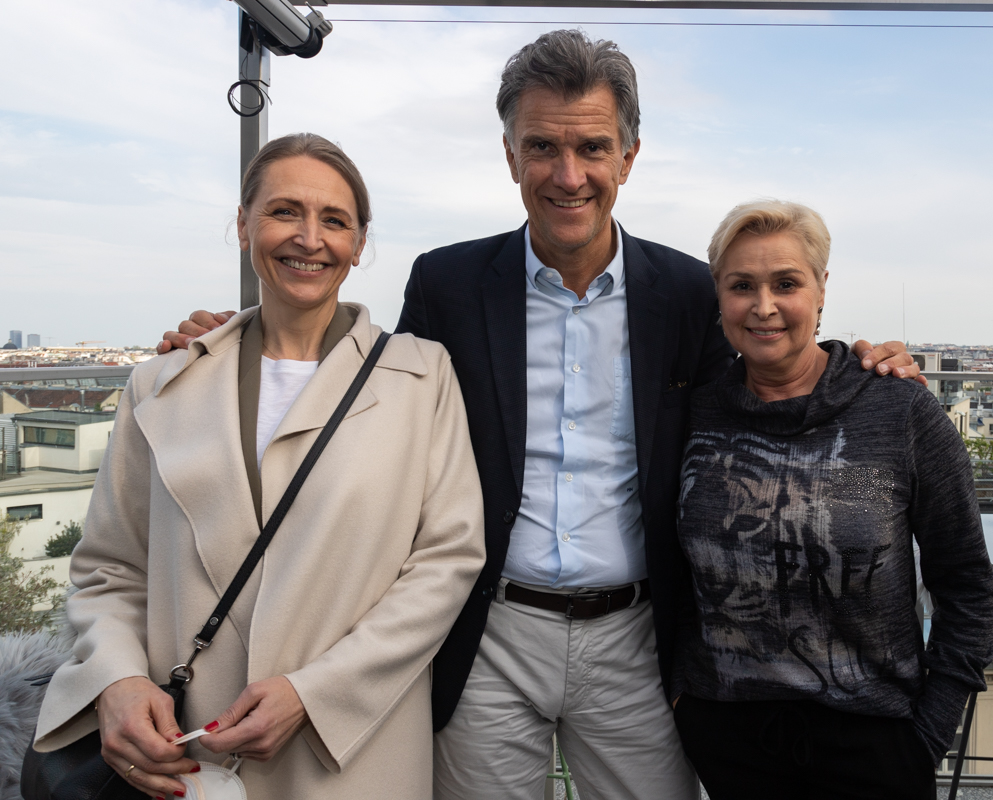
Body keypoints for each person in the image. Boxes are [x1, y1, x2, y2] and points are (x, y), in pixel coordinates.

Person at [160, 32, 921, 800]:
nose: (568, 175)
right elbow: (364, 391)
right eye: (542, 147)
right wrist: (231, 339)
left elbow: (767, 389)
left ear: (628, 158)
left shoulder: (689, 293)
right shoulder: (449, 284)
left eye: (593, 147)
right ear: (509, 154)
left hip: (638, 636)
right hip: (487, 637)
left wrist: (860, 364)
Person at [32, 133, 486, 800]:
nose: (309, 238)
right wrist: (118, 681)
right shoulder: (159, 385)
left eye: (334, 220)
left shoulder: (422, 378)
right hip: (183, 756)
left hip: (353, 753)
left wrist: (316, 694)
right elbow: (110, 568)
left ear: (359, 245)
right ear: (242, 224)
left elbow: (447, 562)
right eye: (283, 212)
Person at [670, 199, 993, 799]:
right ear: (719, 298)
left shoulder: (900, 411)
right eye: (742, 285)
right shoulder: (693, 412)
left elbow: (967, 585)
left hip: (875, 741)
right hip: (726, 738)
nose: (764, 306)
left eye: (786, 283)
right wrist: (687, 702)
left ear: (821, 291)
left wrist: (927, 734)